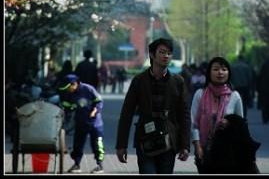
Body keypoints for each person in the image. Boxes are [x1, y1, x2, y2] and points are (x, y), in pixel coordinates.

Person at [115, 37, 190, 174]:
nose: (166, 56)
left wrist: (185, 145)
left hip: (169, 141)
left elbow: (184, 114)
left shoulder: (178, 81)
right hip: (145, 139)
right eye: (162, 52)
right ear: (151, 54)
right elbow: (127, 113)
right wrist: (121, 145)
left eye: (169, 53)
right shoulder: (139, 80)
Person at [191, 56, 244, 174]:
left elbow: (241, 124)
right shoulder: (199, 94)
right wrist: (197, 146)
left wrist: (230, 122)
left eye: (224, 69)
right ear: (209, 72)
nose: (220, 72)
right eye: (215, 69)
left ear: (229, 73)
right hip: (205, 150)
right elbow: (193, 123)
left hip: (228, 149)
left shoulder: (235, 96)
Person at [59, 74, 105, 174]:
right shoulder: (71, 93)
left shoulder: (88, 89)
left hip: (94, 122)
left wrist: (95, 110)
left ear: (74, 84)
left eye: (68, 88)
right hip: (80, 121)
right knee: (78, 144)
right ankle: (77, 164)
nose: (68, 90)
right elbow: (68, 105)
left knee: (97, 144)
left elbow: (99, 101)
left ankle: (100, 165)